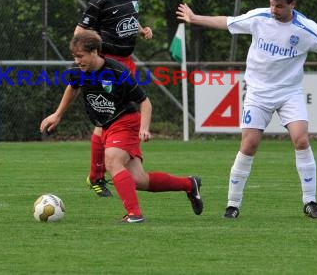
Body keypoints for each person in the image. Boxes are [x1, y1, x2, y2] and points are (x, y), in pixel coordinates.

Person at [176, 0, 317, 219]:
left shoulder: (306, 28)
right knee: (249, 145)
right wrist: (195, 18)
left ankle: (310, 202)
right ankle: (232, 204)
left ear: (292, 4)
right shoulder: (259, 17)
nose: (273, 10)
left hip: (289, 93)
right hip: (258, 93)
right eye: (272, 4)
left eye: (279, 6)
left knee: (301, 140)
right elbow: (227, 21)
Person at [40, 30, 203, 223]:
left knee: (112, 161)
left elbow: (145, 102)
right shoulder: (78, 71)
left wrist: (144, 128)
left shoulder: (117, 72)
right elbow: (73, 86)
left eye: (80, 56)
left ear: (94, 52)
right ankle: (189, 184)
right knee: (138, 180)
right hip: (108, 126)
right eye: (74, 57)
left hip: (126, 121)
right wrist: (58, 114)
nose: (77, 61)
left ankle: (134, 214)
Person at [75, 0, 153, 197]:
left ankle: (116, 167)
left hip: (127, 62)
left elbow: (128, 20)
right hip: (107, 64)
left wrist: (141, 29)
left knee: (126, 115)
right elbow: (79, 33)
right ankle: (97, 176)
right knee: (109, 119)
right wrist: (97, 43)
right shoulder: (100, 2)